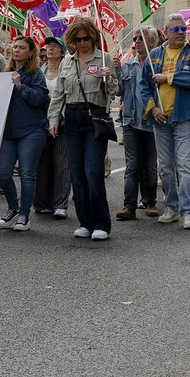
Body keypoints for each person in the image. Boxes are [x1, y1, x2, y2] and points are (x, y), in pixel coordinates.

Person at [47, 18, 118, 241]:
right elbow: (59, 93)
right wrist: (53, 119)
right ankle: (84, 221)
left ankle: (101, 223)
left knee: (93, 171)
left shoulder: (104, 58)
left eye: (86, 38)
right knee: (76, 173)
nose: (82, 43)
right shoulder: (67, 62)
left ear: (93, 37)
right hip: (72, 119)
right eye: (77, 40)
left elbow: (113, 91)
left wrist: (108, 78)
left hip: (94, 118)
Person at [142, 12, 190, 229]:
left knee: (185, 164)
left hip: (183, 116)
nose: (181, 33)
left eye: (183, 29)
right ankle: (172, 207)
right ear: (165, 32)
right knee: (166, 166)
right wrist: (153, 108)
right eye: (176, 29)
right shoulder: (154, 56)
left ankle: (188, 212)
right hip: (160, 118)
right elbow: (144, 86)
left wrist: (167, 77)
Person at [0, 36, 50, 231]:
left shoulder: (35, 74)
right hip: (9, 131)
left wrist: (20, 86)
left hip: (31, 130)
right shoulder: (5, 72)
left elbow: (39, 98)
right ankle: (13, 208)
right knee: (3, 172)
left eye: (22, 47)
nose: (17, 50)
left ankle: (24, 215)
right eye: (15, 47)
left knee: (27, 174)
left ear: (30, 52)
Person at [115, 27, 160, 220]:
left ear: (152, 41)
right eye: (135, 39)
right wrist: (115, 72)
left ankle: (149, 202)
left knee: (150, 165)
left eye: (141, 38)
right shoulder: (127, 66)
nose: (137, 42)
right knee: (132, 165)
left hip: (152, 122)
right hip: (131, 122)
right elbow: (118, 92)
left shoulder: (157, 64)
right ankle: (129, 205)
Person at [33, 35, 71, 219]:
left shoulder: (68, 70)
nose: (50, 49)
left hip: (62, 123)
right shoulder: (39, 72)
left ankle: (60, 204)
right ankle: (42, 202)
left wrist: (58, 118)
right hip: (42, 123)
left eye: (55, 46)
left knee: (62, 164)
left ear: (62, 51)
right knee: (43, 163)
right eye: (48, 46)